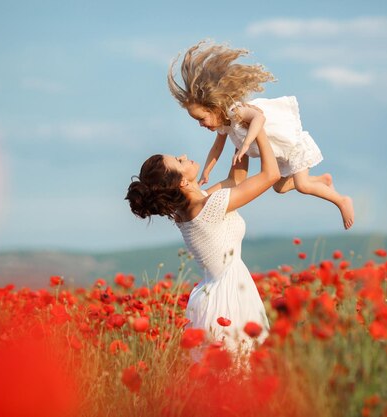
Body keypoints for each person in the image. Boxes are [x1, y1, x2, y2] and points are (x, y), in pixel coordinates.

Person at [125, 125, 280, 360]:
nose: (184, 157)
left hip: (216, 294)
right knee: (241, 374)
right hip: (229, 298)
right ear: (182, 183)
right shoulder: (208, 207)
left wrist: (237, 130)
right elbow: (271, 175)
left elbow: (235, 178)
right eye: (179, 161)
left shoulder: (192, 208)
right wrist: (257, 127)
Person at [168, 40, 355, 230]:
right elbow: (217, 148)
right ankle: (322, 180)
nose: (201, 124)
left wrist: (247, 143)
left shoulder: (235, 111)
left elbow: (259, 117)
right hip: (279, 155)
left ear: (214, 108)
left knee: (302, 185)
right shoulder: (225, 126)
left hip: (293, 145)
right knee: (280, 188)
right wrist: (207, 170)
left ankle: (341, 201)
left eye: (202, 118)